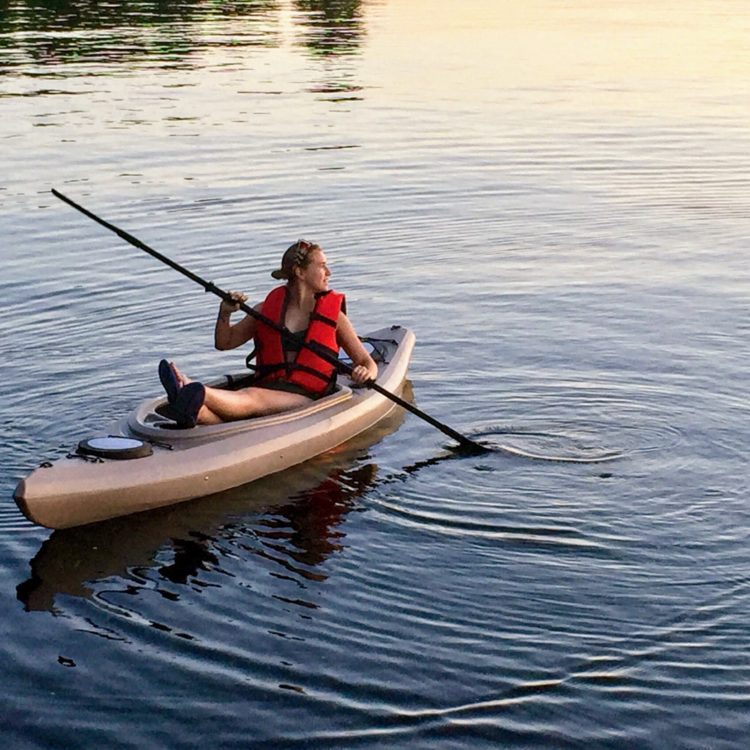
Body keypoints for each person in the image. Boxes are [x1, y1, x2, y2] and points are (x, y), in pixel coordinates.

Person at [159, 239, 378, 427]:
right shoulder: (264, 310)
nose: (328, 272)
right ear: (300, 272)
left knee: (253, 396)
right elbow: (224, 342)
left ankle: (192, 388)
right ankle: (191, 409)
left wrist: (365, 373)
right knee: (222, 407)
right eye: (322, 266)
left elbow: (368, 363)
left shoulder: (335, 318)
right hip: (269, 387)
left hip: (307, 398)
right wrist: (224, 313)